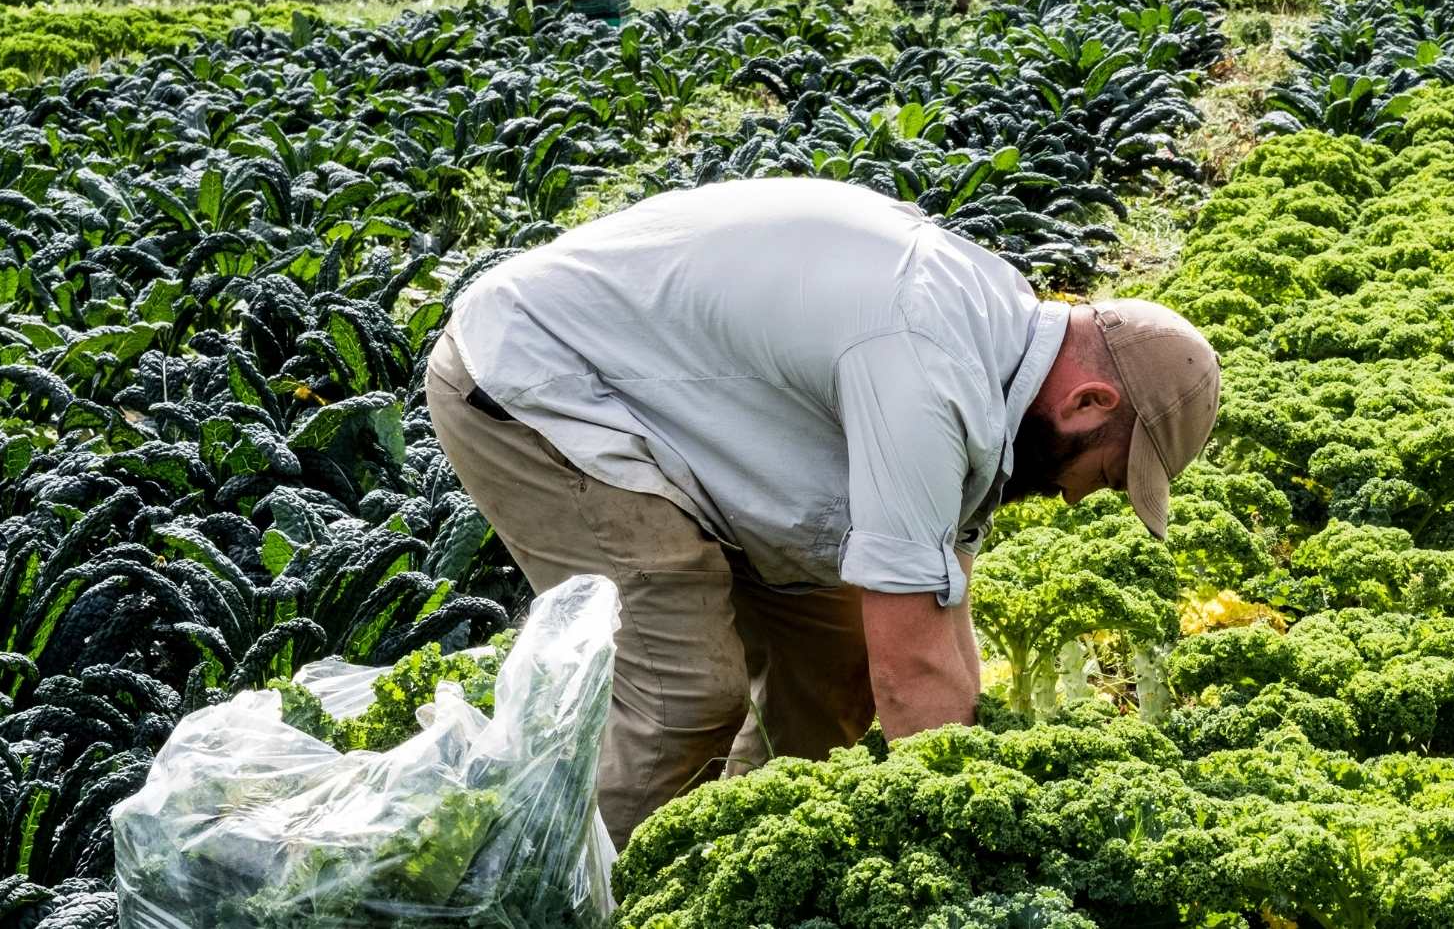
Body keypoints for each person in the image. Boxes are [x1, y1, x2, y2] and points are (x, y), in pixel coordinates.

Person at [425, 178, 1221, 847]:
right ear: (1089, 402)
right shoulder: (930, 365)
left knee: (834, 665)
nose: (1078, 496)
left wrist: (972, 758)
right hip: (543, 384)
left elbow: (936, 610)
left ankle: (745, 858)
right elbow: (913, 671)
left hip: (680, 417)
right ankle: (563, 896)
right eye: (1106, 474)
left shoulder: (998, 343)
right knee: (684, 692)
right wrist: (970, 854)